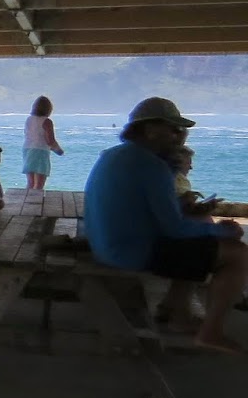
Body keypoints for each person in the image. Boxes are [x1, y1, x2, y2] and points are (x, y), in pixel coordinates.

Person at [83, 97, 247, 354]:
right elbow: (174, 229)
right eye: (173, 129)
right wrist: (222, 230)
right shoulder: (151, 165)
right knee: (237, 254)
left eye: (181, 130)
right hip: (129, 253)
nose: (180, 136)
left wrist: (170, 174)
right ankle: (210, 332)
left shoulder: (116, 155)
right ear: (150, 130)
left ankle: (177, 311)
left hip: (105, 246)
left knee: (199, 236)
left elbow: (151, 203)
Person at [23, 95, 64, 190]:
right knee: (39, 184)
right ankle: (36, 202)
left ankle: (27, 201)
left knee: (30, 182)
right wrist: (59, 151)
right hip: (40, 151)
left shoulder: (29, 119)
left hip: (27, 149)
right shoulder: (47, 121)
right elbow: (50, 140)